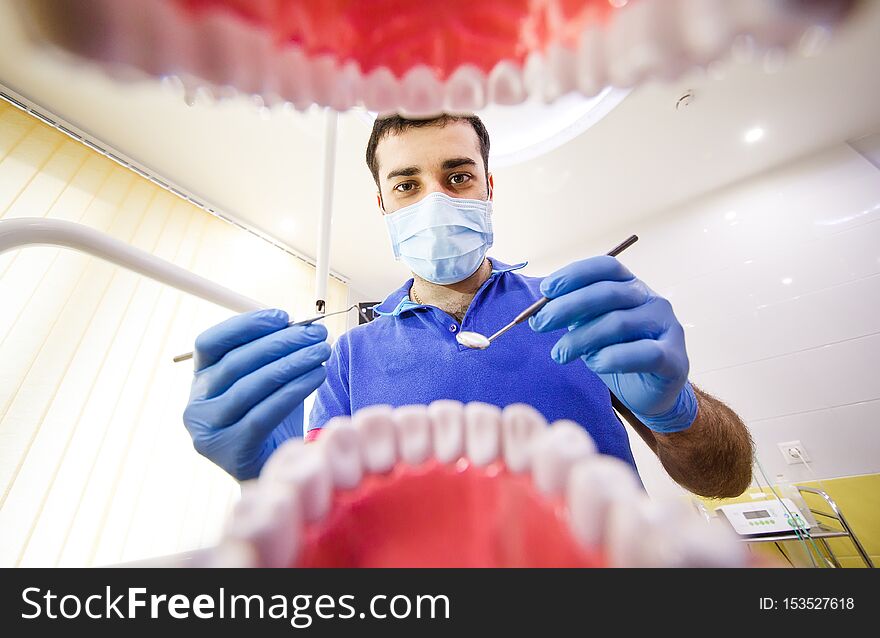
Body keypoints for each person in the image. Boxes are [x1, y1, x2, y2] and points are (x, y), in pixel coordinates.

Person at [183, 113, 753, 497]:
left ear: (487, 187)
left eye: (457, 176)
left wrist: (678, 413)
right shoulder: (350, 357)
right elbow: (327, 522)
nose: (435, 200)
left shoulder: (576, 310)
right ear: (382, 202)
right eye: (407, 184)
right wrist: (270, 485)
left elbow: (725, 480)